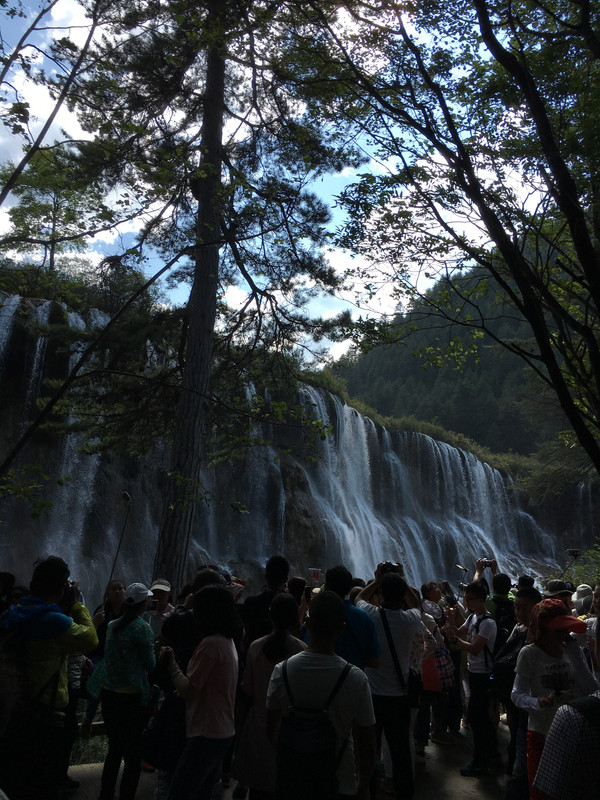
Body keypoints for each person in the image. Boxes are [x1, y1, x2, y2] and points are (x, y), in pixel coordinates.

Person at [0, 556, 98, 800]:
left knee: (17, 781)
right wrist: (75, 604)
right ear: (61, 587)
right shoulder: (54, 621)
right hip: (44, 716)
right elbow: (90, 639)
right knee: (43, 785)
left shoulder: (13, 613)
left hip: (14, 709)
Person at [266, 590, 376, 800]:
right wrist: (363, 786)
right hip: (340, 783)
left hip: (291, 779)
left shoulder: (282, 670)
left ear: (307, 621)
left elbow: (271, 729)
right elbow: (367, 745)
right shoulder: (356, 679)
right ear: (341, 628)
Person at [511, 597, 598, 800]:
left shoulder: (572, 649)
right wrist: (536, 702)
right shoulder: (529, 654)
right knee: (541, 795)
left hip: (572, 734)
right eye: (558, 631)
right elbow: (516, 694)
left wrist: (575, 655)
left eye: (566, 630)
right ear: (542, 630)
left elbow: (591, 688)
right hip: (541, 734)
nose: (565, 635)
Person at [163, 584, 241, 800]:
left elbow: (190, 691)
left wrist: (171, 665)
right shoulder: (228, 641)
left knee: (179, 793)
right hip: (223, 731)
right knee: (204, 793)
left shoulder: (210, 645)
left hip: (206, 733)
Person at [355, 565, 422, 800]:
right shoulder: (410, 620)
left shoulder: (371, 615)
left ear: (381, 595)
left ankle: (368, 792)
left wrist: (376, 579)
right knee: (400, 749)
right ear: (403, 593)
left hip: (371, 696)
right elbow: (417, 606)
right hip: (399, 697)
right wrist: (402, 580)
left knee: (369, 750)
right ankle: (406, 794)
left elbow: (359, 597)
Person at [232, 592, 306, 799]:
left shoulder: (256, 647)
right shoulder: (301, 651)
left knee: (259, 790)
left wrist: (238, 732)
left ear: (270, 615)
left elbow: (246, 694)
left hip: (258, 727)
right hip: (291, 731)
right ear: (295, 619)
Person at [87, 582, 156, 800]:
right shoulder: (143, 629)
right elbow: (150, 664)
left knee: (114, 749)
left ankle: (105, 795)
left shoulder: (111, 626)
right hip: (132, 699)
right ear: (143, 605)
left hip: (109, 694)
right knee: (133, 754)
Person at [445, 579, 502, 776]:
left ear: (481, 599)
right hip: (475, 675)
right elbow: (458, 632)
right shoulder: (472, 618)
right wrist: (451, 620)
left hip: (484, 677)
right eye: (465, 598)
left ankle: (481, 762)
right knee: (480, 720)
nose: (466, 602)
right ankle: (491, 759)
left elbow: (474, 648)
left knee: (478, 721)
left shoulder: (487, 623)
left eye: (470, 599)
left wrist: (453, 638)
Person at [323, 565, 380, 670]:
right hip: (353, 678)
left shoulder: (317, 613)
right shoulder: (362, 616)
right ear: (349, 589)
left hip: (319, 676)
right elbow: (374, 661)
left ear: (325, 586)